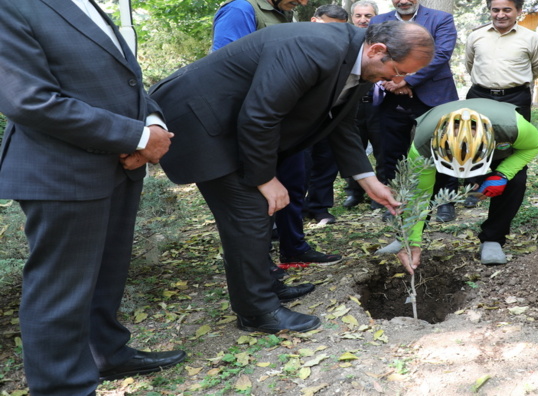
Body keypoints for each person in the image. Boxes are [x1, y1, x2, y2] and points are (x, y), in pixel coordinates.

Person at [0, 0, 186, 393]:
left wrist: (148, 118)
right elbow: (31, 100)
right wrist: (138, 136)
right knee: (59, 291)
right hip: (59, 172)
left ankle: (105, 352)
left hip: (115, 165)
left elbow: (120, 75)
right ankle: (63, 386)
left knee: (106, 274)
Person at [150, 21, 434, 334]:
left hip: (233, 123)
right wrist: (265, 178)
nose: (398, 80)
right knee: (248, 212)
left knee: (256, 210)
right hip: (200, 120)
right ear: (378, 50)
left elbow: (340, 124)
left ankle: (265, 286)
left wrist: (368, 179)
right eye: (398, 71)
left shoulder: (362, 64)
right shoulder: (315, 48)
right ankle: (257, 312)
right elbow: (261, 114)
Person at [210, 0, 342, 266]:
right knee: (259, 200)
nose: (306, 1)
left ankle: (293, 247)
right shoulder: (241, 10)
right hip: (256, 125)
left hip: (283, 124)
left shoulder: (279, 12)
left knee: (294, 185)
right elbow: (225, 72)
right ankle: (263, 272)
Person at [377, 99, 538, 272]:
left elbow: (536, 144)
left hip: (499, 151)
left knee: (515, 181)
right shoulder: (423, 144)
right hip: (438, 150)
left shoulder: (513, 127)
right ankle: (403, 238)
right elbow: (419, 196)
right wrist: (412, 242)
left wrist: (503, 173)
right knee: (421, 187)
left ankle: (492, 240)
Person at [370, 0, 460, 223]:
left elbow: (440, 54)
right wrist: (390, 82)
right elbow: (371, 55)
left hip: (433, 95)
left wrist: (406, 80)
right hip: (390, 97)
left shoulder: (441, 19)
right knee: (390, 153)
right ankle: (392, 202)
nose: (403, 0)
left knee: (442, 149)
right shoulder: (378, 21)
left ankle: (444, 202)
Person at [465, 0, 538, 121]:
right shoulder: (475, 36)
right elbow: (470, 64)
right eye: (495, 10)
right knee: (478, 139)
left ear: (519, 11)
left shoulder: (532, 39)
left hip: (516, 98)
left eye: (507, 10)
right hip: (479, 96)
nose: (500, 15)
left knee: (514, 140)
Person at [303, 4, 349, 224]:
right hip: (299, 117)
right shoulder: (299, 42)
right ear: (314, 21)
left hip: (329, 116)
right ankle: (294, 207)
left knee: (327, 161)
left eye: (340, 28)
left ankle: (319, 207)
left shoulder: (346, 49)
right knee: (300, 164)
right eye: (328, 26)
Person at [343, 0, 385, 210]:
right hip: (352, 105)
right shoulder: (346, 41)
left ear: (376, 17)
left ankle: (380, 193)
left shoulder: (384, 42)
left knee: (382, 150)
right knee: (354, 148)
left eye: (368, 16)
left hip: (379, 105)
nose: (363, 20)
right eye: (358, 16)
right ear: (352, 18)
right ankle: (353, 192)